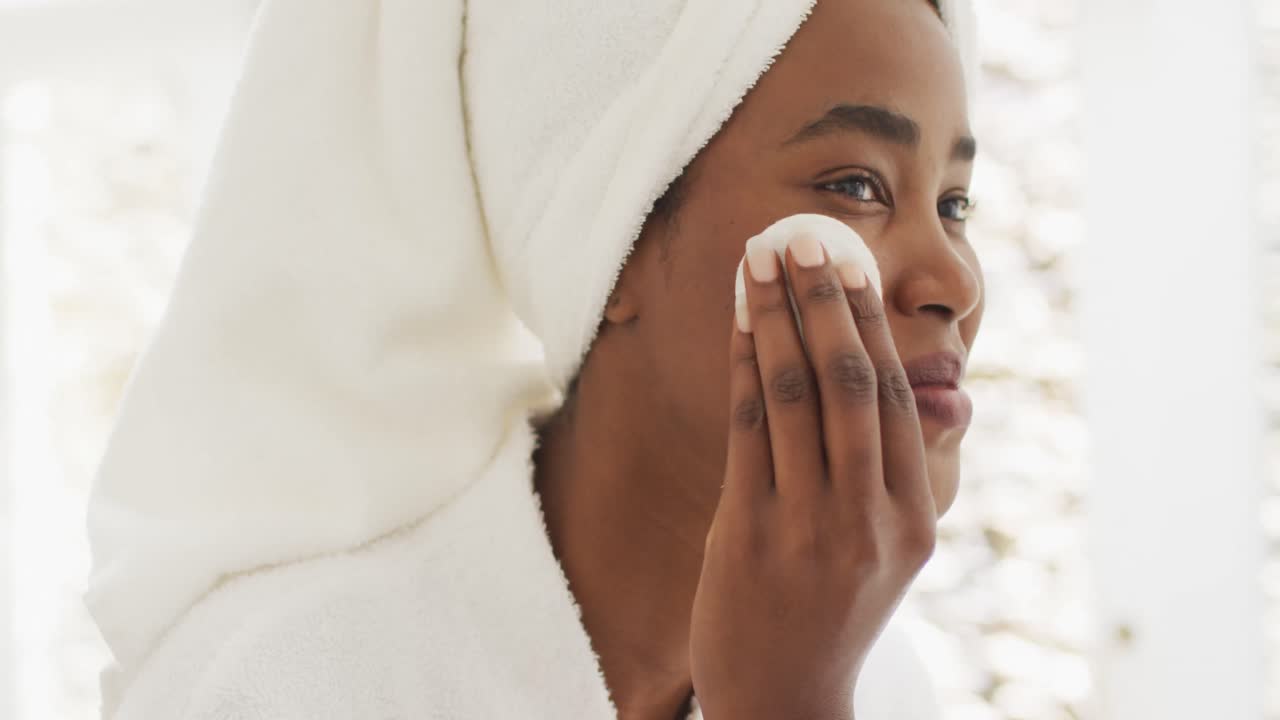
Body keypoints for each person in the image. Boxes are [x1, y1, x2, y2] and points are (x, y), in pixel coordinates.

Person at [85, 0, 982, 718]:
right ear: (616, 240)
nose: (955, 280)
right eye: (857, 186)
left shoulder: (882, 684)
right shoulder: (278, 691)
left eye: (954, 204)